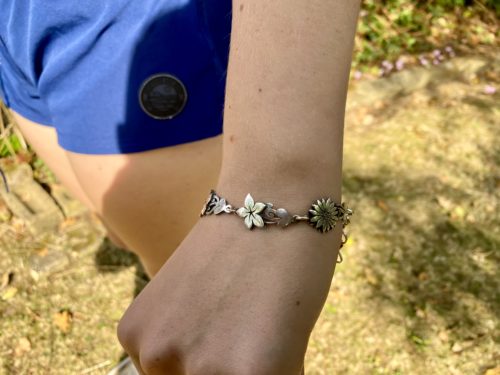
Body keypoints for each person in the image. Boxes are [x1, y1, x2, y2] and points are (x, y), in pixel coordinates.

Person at [0, 0, 361, 373]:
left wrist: (282, 178)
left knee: (212, 309)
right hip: (17, 26)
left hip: (126, 21)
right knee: (129, 239)